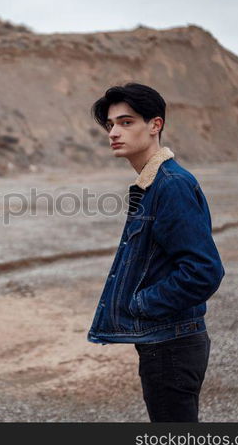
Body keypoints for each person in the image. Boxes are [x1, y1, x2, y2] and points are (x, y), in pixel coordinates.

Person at [87, 83, 224, 422]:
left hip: (172, 344)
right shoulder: (152, 183)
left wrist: (141, 304)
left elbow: (203, 270)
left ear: (155, 125)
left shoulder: (171, 184)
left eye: (126, 122)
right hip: (165, 340)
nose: (114, 132)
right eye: (110, 125)